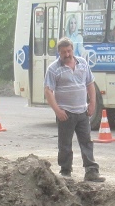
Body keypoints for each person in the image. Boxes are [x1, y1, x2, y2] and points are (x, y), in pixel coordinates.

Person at [44, 37, 105, 182]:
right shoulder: (53, 69)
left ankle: (91, 171)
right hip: (66, 114)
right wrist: (58, 111)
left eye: (69, 51)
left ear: (73, 50)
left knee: (87, 142)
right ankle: (65, 172)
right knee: (65, 144)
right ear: (59, 52)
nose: (67, 54)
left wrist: (92, 104)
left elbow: (90, 83)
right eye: (63, 52)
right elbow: (48, 91)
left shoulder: (83, 64)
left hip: (82, 112)